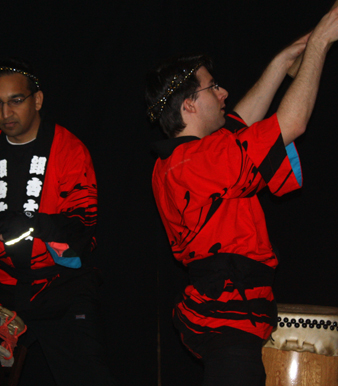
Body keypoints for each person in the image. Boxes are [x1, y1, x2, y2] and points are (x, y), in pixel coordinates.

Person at [145, 8, 338, 386]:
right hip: (226, 314)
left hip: (228, 310)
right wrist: (321, 43)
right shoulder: (193, 162)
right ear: (189, 105)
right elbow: (291, 122)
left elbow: (241, 124)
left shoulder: (187, 157)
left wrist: (283, 61)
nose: (224, 93)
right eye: (213, 87)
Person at [0, 58, 115, 386]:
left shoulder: (69, 151)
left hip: (60, 292)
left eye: (15, 101)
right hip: (0, 295)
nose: (5, 113)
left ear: (37, 100)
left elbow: (82, 227)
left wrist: (30, 222)